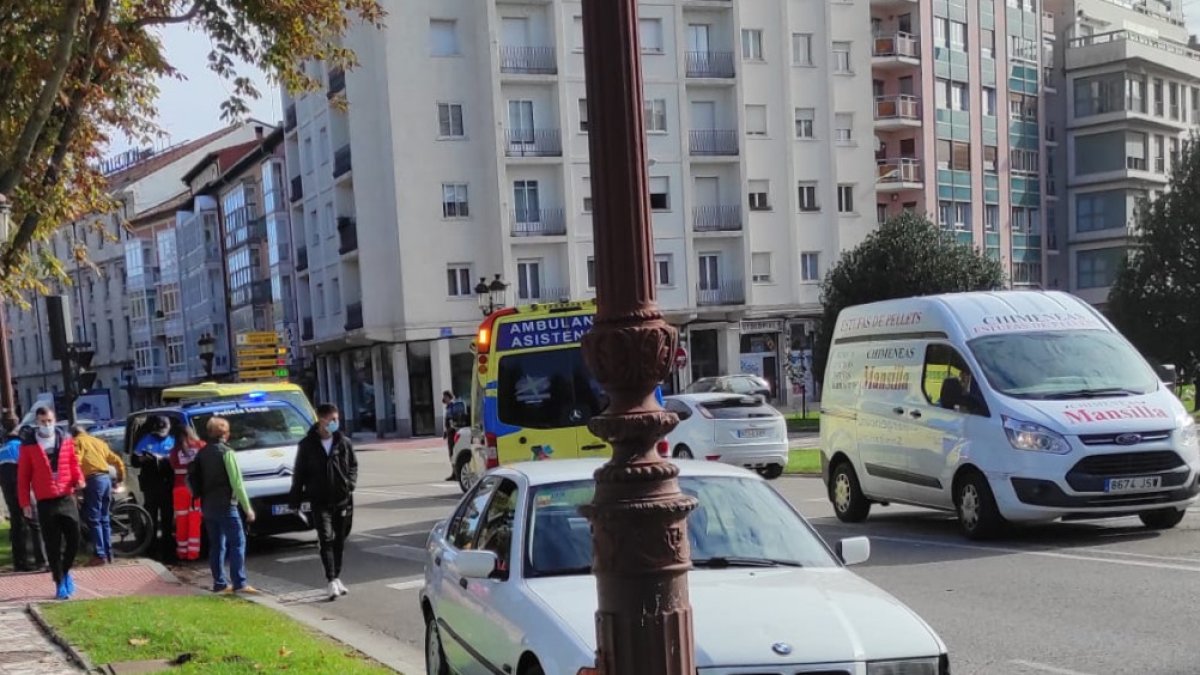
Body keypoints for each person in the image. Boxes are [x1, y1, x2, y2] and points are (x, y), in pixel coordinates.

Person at [289, 403, 358, 601]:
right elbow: (299, 473)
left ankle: (337, 576)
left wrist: (350, 484)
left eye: (337, 419)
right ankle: (331, 579)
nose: (336, 422)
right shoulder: (307, 445)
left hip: (342, 498)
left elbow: (353, 465)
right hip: (319, 500)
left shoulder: (343, 442)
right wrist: (295, 499)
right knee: (326, 538)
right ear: (321, 420)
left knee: (339, 540)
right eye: (332, 419)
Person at [17, 407, 83, 599]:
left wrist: (79, 479)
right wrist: (25, 503)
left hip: (65, 496)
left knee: (74, 538)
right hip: (45, 500)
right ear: (37, 423)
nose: (47, 425)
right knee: (53, 544)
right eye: (43, 421)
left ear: (55, 420)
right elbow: (23, 476)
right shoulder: (29, 445)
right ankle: (59, 581)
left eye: (49, 421)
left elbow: (73, 463)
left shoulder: (65, 439)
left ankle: (65, 570)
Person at [188, 417, 257, 594]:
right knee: (238, 542)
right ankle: (239, 582)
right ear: (226, 434)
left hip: (207, 505)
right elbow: (237, 483)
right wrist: (247, 508)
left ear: (209, 433)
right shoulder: (227, 453)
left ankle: (219, 583)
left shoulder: (202, 453)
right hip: (226, 505)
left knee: (217, 545)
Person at [72, 424, 126, 566]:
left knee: (94, 519)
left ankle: (100, 555)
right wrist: (120, 478)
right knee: (105, 518)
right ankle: (109, 554)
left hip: (93, 480)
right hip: (106, 480)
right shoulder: (98, 442)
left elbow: (76, 462)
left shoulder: (76, 442)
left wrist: (76, 483)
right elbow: (117, 460)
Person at [0, 419, 44, 571]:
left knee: (17, 525)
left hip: (8, 493)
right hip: (23, 490)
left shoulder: (2, 450)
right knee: (35, 524)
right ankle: (41, 560)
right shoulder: (21, 447)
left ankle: (19, 562)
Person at [131, 415, 176, 561]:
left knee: (167, 518)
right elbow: (134, 461)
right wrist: (142, 459)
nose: (160, 435)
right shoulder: (146, 439)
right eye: (158, 432)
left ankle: (168, 549)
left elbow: (178, 459)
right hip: (151, 484)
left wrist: (164, 459)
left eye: (163, 432)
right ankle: (152, 548)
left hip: (167, 484)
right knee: (151, 517)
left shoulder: (173, 440)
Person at [169, 427, 204, 561]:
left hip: (180, 488)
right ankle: (193, 552)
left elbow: (172, 465)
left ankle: (182, 551)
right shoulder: (200, 446)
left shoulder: (174, 451)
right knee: (195, 520)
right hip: (195, 489)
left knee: (181, 521)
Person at [442, 391, 467, 481]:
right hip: (450, 432)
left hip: (453, 432)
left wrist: (449, 430)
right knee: (451, 453)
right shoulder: (449, 406)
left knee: (453, 452)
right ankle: (454, 473)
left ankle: (456, 473)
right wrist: (446, 431)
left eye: (445, 397)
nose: (444, 399)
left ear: (449, 397)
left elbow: (453, 420)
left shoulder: (453, 406)